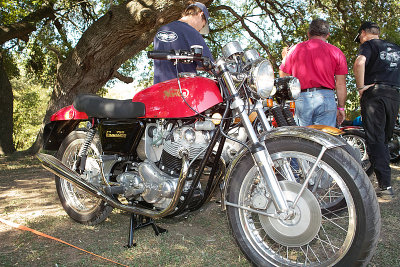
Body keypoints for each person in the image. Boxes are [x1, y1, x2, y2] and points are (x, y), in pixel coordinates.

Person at [353, 21, 400, 199]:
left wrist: (360, 88)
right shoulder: (395, 48)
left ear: (363, 33)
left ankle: (385, 186)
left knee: (376, 140)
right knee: (385, 140)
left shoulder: (369, 45)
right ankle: (383, 182)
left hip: (374, 94)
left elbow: (360, 62)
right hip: (393, 95)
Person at [279, 18, 348, 127]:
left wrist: (284, 58)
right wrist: (341, 107)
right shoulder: (336, 52)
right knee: (325, 139)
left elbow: (283, 75)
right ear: (327, 35)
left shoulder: (295, 49)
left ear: (308, 33)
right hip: (326, 98)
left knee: (304, 140)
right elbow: (340, 84)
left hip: (302, 98)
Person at [153, 2, 214, 84]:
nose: (199, 30)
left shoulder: (162, 30)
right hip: (183, 90)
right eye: (202, 26)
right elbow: (210, 65)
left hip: (160, 89)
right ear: (200, 14)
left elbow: (174, 61)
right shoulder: (192, 32)